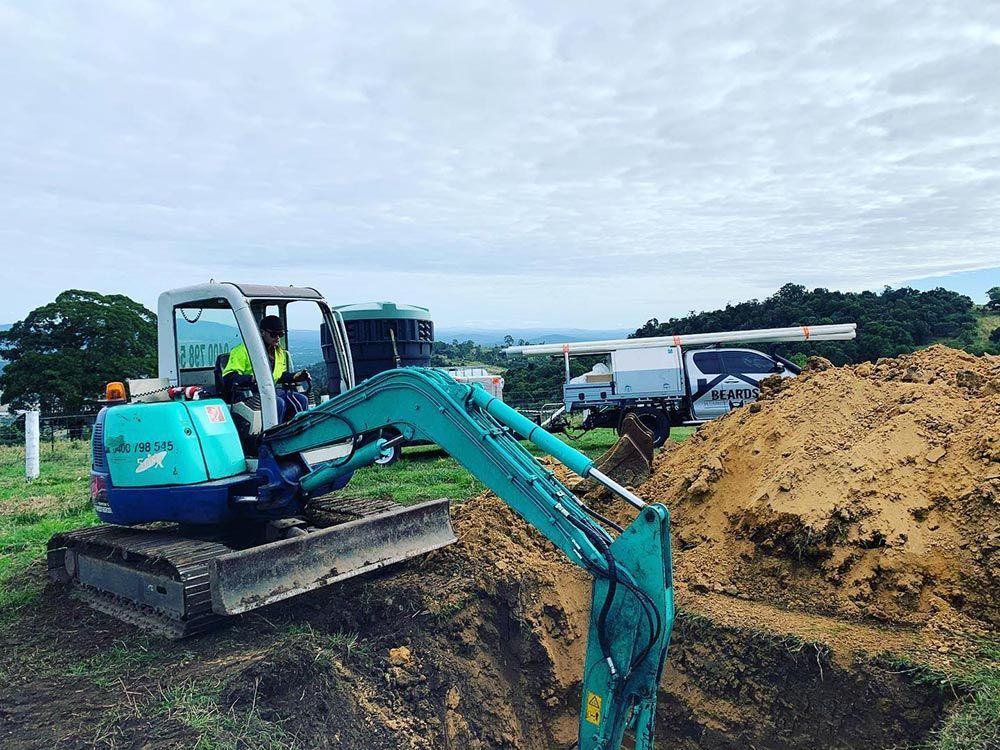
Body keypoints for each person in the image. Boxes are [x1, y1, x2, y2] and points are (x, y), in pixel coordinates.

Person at [222, 315, 310, 422]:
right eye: (274, 334)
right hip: (248, 394)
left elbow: (278, 375)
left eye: (280, 334)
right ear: (262, 332)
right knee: (277, 403)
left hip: (269, 390)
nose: (278, 337)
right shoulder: (242, 351)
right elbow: (228, 378)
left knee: (302, 400)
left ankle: (296, 431)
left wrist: (295, 376)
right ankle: (272, 435)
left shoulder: (279, 352)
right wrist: (251, 379)